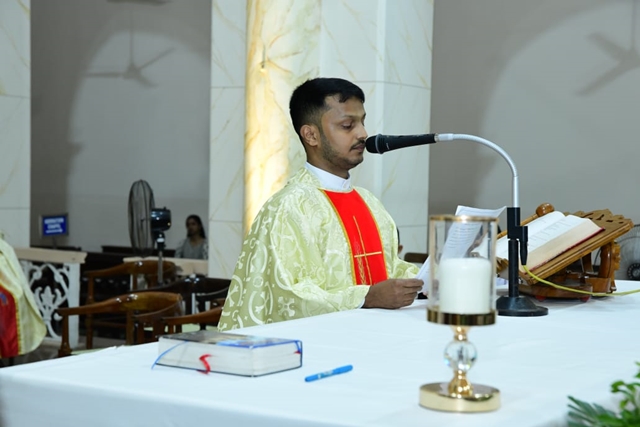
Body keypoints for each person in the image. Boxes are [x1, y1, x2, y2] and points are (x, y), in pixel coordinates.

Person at [218, 77, 423, 331]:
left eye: (362, 122)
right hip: (323, 346)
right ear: (311, 135)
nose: (363, 134)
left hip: (378, 337)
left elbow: (390, 268)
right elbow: (289, 297)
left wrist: (427, 280)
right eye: (348, 125)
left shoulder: (370, 203)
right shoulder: (288, 208)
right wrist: (366, 297)